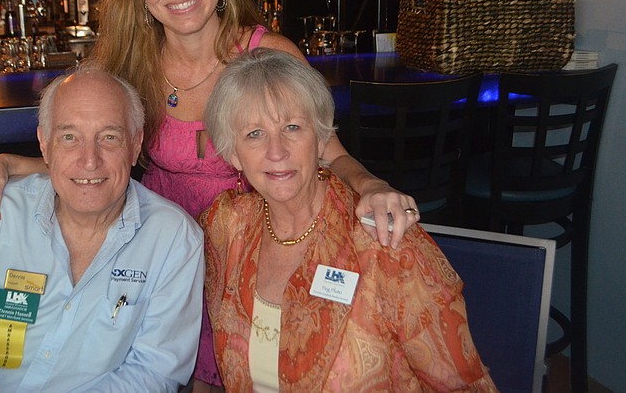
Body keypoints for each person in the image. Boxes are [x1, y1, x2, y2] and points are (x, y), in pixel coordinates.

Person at [0, 0, 418, 392]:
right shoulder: (129, 65)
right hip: (157, 254)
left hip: (250, 251)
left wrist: (370, 184)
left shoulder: (267, 54)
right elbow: (96, 162)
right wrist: (10, 164)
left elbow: (322, 147)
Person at [199, 48, 498, 392]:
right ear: (234, 154)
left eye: (292, 127)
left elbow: (465, 386)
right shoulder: (226, 228)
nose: (276, 151)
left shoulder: (384, 241)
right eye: (254, 134)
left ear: (322, 138)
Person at [0, 66, 204, 393]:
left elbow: (154, 372)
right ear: (44, 145)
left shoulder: (173, 240)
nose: (90, 160)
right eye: (69, 137)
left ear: (135, 145)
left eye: (109, 137)